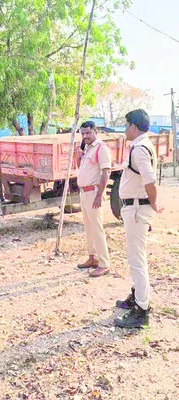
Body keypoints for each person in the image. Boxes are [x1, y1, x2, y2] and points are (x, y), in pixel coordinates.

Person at [114, 109, 163, 328]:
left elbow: (149, 180)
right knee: (135, 258)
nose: (125, 129)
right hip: (134, 208)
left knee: (137, 260)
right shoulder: (142, 145)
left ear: (133, 126)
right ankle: (137, 297)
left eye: (126, 125)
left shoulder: (140, 149)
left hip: (137, 208)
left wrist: (153, 202)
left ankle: (142, 310)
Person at [76, 121, 111, 277]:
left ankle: (104, 263)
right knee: (89, 228)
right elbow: (83, 170)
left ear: (95, 131)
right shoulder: (87, 148)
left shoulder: (101, 148)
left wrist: (98, 196)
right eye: (83, 133)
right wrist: (78, 157)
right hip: (84, 193)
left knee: (97, 229)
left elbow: (106, 173)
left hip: (93, 193)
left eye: (88, 133)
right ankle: (93, 257)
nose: (85, 136)